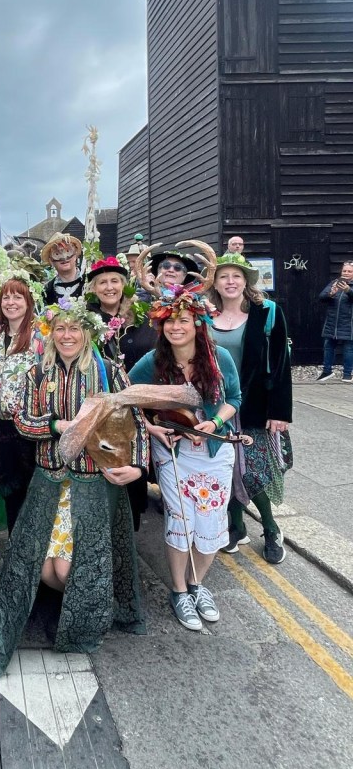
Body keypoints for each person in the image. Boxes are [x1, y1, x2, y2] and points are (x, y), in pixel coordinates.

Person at [0, 301, 147, 679]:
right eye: (60, 329)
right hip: (48, 480)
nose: (67, 336)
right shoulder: (38, 372)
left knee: (70, 569)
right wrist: (58, 426)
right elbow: (23, 421)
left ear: (87, 332)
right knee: (39, 564)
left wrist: (137, 467)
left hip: (92, 483)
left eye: (74, 328)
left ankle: (81, 611)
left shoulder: (108, 371)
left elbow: (135, 420)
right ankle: (57, 603)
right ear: (51, 333)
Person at [128, 253, 241, 633]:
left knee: (211, 521)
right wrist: (149, 427)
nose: (176, 327)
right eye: (169, 321)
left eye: (183, 320)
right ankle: (179, 590)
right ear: (161, 325)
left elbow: (234, 398)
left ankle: (197, 585)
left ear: (197, 322)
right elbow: (125, 395)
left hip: (215, 450)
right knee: (181, 519)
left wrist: (214, 421)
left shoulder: (219, 357)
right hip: (174, 453)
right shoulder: (152, 362)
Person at [209, 254, 292, 563]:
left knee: (253, 473)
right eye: (223, 276)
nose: (230, 281)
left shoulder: (267, 312)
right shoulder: (205, 315)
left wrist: (280, 411)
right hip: (217, 407)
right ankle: (237, 526)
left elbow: (281, 363)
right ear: (215, 283)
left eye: (237, 276)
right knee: (225, 468)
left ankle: (271, 529)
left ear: (246, 281)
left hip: (255, 404)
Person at [86, 256, 156, 529]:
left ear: (124, 285)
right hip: (102, 408)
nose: (109, 287)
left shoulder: (141, 316)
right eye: (102, 282)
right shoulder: (88, 319)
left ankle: (129, 533)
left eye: (114, 281)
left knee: (132, 472)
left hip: (137, 405)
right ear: (94, 288)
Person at [0, 269, 44, 532]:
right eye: (6, 297)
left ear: (29, 301)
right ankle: (14, 545)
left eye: (18, 297)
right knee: (8, 488)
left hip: (27, 426)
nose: (11, 303)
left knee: (29, 489)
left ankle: (31, 547)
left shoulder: (40, 334)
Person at [316, 261, 353, 382]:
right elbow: (321, 297)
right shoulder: (334, 283)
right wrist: (330, 294)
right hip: (332, 322)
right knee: (328, 346)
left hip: (349, 323)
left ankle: (347, 374)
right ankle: (327, 371)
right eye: (344, 270)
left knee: (348, 348)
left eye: (349, 271)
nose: (346, 273)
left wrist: (348, 290)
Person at [41, 234, 84, 305]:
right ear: (51, 261)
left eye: (68, 251)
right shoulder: (46, 291)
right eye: (57, 254)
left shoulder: (90, 282)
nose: (64, 258)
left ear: (75, 255)